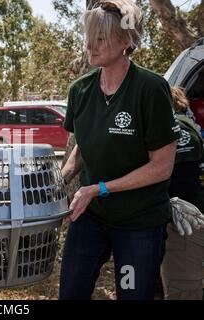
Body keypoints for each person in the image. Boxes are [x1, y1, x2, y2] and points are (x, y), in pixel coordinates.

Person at [59, 0, 180, 300]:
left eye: (100, 37)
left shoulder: (151, 90)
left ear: (126, 41)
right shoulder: (80, 91)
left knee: (132, 295)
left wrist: (98, 188)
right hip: (91, 219)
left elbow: (162, 167)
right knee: (71, 293)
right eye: (89, 35)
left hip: (138, 223)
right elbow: (83, 148)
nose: (90, 44)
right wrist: (57, 181)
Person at [161, 86, 204, 300]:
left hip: (186, 221)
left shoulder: (178, 128)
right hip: (186, 217)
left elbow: (185, 184)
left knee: (183, 289)